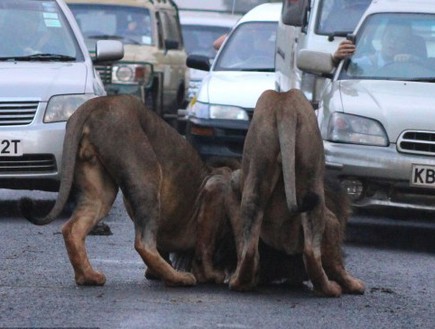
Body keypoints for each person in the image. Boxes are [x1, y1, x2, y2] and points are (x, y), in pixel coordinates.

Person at [332, 22, 425, 70]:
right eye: (390, 35)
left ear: (406, 45)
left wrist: (413, 60)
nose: (393, 41)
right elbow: (344, 73)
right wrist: (336, 60)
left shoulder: (414, 66)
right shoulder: (365, 63)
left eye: (400, 39)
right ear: (382, 37)